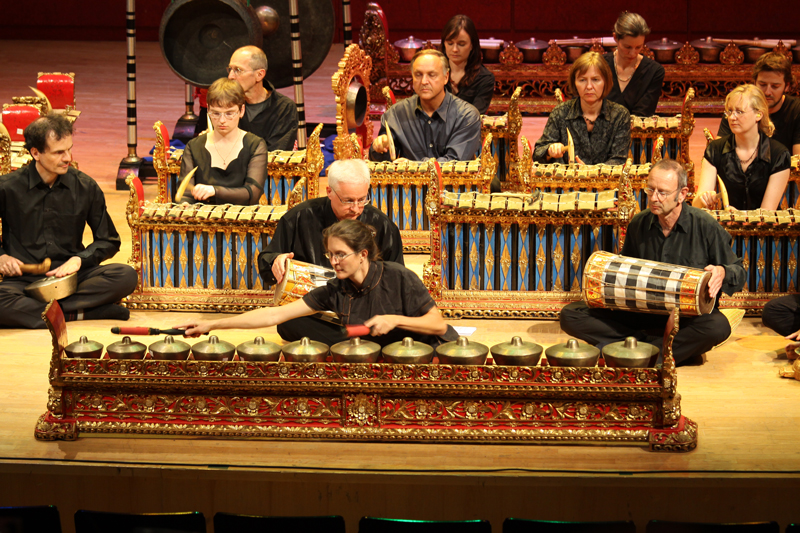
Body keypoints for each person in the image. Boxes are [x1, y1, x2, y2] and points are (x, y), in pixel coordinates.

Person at [559, 159, 746, 366]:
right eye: (650, 190)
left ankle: (638, 351)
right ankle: (665, 350)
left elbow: (739, 271)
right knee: (571, 314)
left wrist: (722, 272)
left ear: (682, 194)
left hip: (685, 319)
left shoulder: (705, 226)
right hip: (643, 316)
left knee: (718, 326)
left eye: (663, 192)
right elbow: (626, 274)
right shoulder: (639, 223)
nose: (654, 198)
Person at [182, 219, 457, 348]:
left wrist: (394, 320)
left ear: (363, 255)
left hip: (428, 352)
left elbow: (438, 325)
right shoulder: (335, 290)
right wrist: (211, 325)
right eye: (331, 254)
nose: (334, 261)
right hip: (381, 356)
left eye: (341, 255)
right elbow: (275, 313)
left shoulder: (398, 276)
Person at [0, 113, 138, 329]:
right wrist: (2, 257)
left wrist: (79, 260)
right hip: (23, 282)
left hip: (74, 278)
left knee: (125, 275)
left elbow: (108, 240)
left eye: (69, 149)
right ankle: (78, 314)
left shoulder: (85, 186)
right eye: (58, 152)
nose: (67, 158)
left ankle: (45, 314)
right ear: (35, 152)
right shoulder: (7, 188)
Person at [257, 159, 404, 344]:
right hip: (314, 314)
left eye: (362, 200)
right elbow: (266, 260)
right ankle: (359, 341)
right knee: (288, 322)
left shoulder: (382, 225)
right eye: (348, 200)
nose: (356, 208)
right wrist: (276, 261)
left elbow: (398, 280)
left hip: (363, 313)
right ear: (329, 192)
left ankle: (351, 338)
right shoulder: (298, 217)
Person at [369, 49, 482, 163]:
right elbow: (384, 162)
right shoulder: (396, 114)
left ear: (446, 77)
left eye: (431, 75)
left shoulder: (466, 116)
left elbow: (454, 163)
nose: (424, 81)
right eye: (418, 75)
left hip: (453, 180)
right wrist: (378, 148)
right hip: (408, 181)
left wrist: (415, 167)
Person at [694, 84, 791, 211]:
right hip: (724, 226)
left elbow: (767, 212)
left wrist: (739, 216)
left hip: (764, 228)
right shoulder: (715, 149)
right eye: (729, 111)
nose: (732, 117)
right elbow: (696, 206)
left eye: (739, 112)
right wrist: (704, 198)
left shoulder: (778, 154)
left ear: (758, 114)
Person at [179, 78, 267, 205]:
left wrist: (215, 191)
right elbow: (185, 194)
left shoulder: (255, 145)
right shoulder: (193, 147)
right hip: (204, 221)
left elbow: (252, 194)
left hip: (242, 220)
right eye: (216, 113)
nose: (222, 120)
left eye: (229, 113)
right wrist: (185, 205)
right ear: (208, 109)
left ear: (241, 111)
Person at [533, 52, 631, 166]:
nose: (589, 86)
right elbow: (537, 154)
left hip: (605, 182)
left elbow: (619, 160)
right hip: (567, 182)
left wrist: (590, 172)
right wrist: (549, 150)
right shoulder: (561, 112)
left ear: (605, 81)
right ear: (575, 83)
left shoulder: (620, 115)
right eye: (582, 80)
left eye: (595, 79)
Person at [195, 46, 298, 151]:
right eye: (230, 69)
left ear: (259, 74)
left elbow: (275, 154)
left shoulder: (284, 108)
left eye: (238, 70)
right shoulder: (226, 103)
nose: (230, 76)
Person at [717, 52, 800, 155]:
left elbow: (798, 161)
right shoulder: (738, 106)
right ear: (755, 82)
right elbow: (718, 153)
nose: (767, 92)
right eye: (762, 84)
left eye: (775, 86)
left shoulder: (796, 110)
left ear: (787, 86)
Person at [603, 12, 664, 117]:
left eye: (638, 47)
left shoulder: (654, 71)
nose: (633, 53)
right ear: (615, 38)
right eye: (627, 47)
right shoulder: (599, 65)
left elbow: (643, 114)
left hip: (636, 131)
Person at [441, 14, 495, 115]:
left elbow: (474, 117)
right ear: (444, 44)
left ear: (472, 45)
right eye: (450, 43)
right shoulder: (433, 72)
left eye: (461, 44)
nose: (455, 49)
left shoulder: (484, 78)